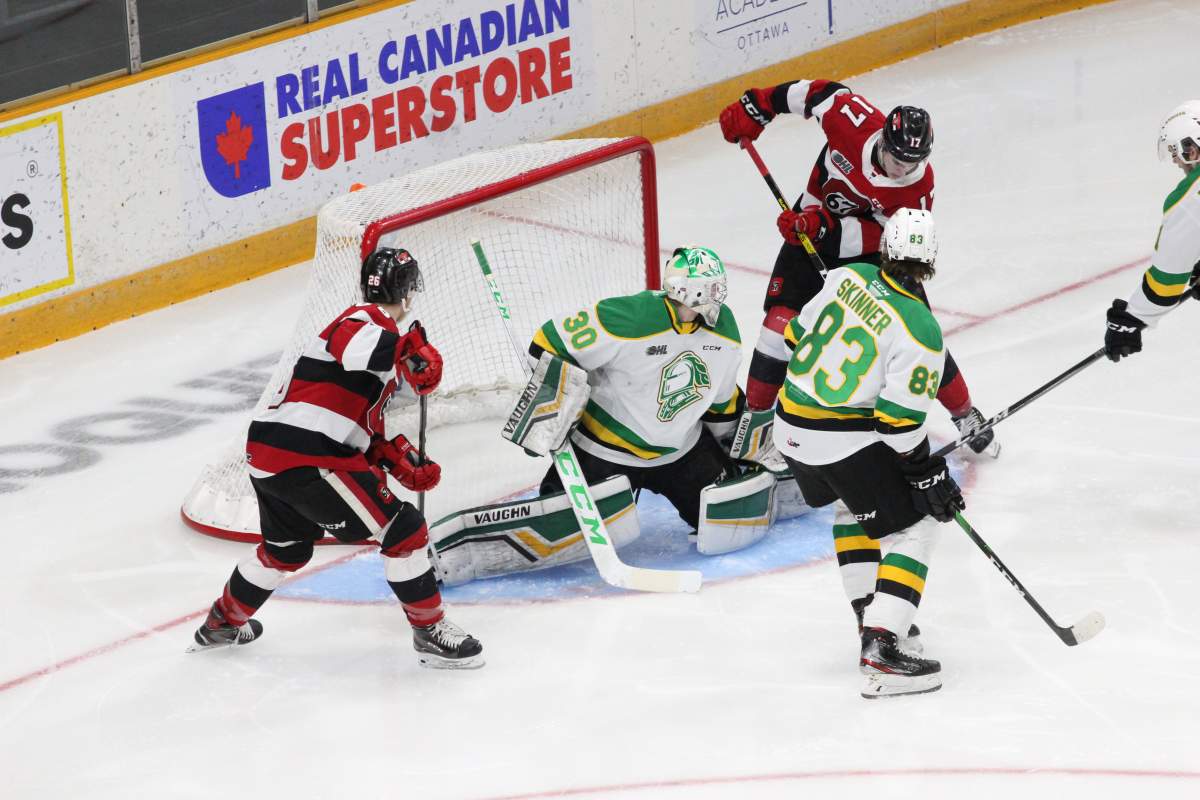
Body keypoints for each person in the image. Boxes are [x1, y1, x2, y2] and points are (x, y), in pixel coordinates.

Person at [431, 247, 800, 585]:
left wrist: (738, 446)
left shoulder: (724, 330)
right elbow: (547, 341)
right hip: (603, 452)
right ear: (690, 291)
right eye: (712, 287)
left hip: (682, 452)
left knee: (718, 521)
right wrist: (552, 404)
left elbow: (721, 401)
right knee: (559, 516)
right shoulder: (630, 317)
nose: (719, 295)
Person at [189, 247, 484, 669]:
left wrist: (390, 457)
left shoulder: (375, 337)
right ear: (408, 292)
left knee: (284, 550)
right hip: (306, 456)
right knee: (404, 533)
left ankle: (221, 624)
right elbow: (353, 348)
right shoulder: (363, 320)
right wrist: (408, 350)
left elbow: (352, 421)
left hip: (270, 453)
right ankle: (430, 631)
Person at [718, 77, 999, 458]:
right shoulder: (850, 119)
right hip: (809, 229)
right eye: (898, 159)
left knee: (918, 335)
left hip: (873, 255)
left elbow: (893, 242)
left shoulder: (917, 189)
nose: (902, 170)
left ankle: (964, 413)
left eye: (912, 162)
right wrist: (758, 107)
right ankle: (757, 423)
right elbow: (815, 92)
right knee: (776, 328)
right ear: (883, 139)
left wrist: (824, 227)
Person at [773, 208, 964, 699]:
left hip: (788, 428)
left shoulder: (847, 275)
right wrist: (925, 473)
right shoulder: (921, 328)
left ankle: (870, 614)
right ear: (931, 262)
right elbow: (898, 424)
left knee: (851, 506)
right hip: (834, 438)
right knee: (917, 527)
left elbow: (794, 336)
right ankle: (881, 646)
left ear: (886, 247)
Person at [1104, 101, 1200, 361]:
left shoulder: (1190, 199)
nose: (1177, 162)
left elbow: (1166, 283)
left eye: (1178, 152)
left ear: (1193, 146)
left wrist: (1131, 319)